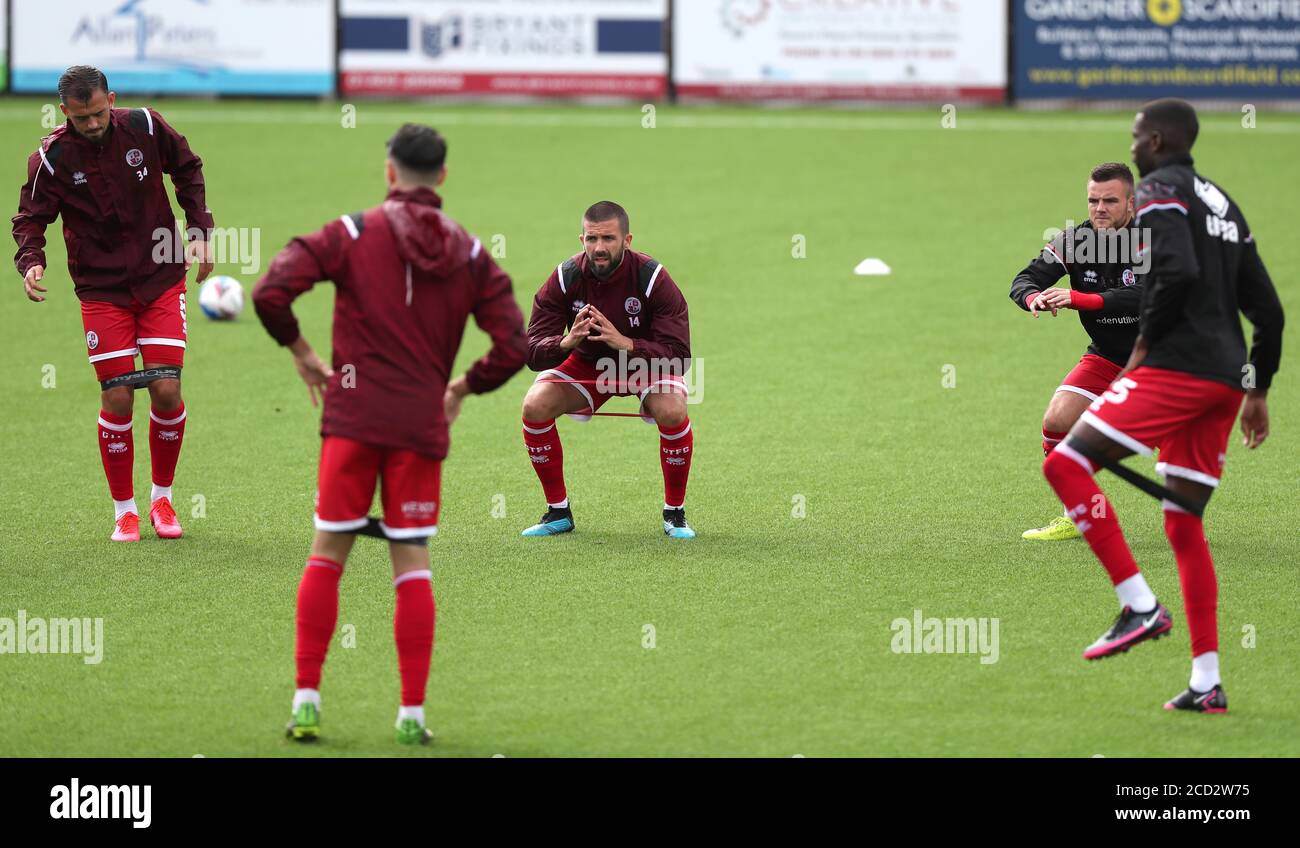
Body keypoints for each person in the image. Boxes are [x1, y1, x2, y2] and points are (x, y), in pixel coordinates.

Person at [252, 124, 527, 744]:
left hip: (351, 419)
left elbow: (271, 291)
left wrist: (300, 350)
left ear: (389, 171)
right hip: (419, 426)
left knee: (327, 555)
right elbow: (515, 344)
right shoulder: (472, 252)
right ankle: (411, 717)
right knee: (412, 565)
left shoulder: (351, 233)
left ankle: (306, 702)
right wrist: (460, 388)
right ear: (444, 177)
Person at [1043, 99, 1284, 713]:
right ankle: (1207, 683)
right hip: (1227, 380)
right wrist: (1257, 388)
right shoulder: (1222, 202)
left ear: (1153, 140)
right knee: (1183, 521)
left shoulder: (1158, 191)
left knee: (1065, 462)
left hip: (1178, 368)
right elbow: (1268, 306)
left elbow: (1169, 273)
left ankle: (1139, 606)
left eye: (1133, 136)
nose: (1130, 145)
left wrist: (1145, 348)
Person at [11, 65, 214, 542]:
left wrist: (200, 230)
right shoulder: (52, 158)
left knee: (166, 388)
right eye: (83, 118)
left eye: (100, 113)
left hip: (161, 274)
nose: (94, 124)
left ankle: (161, 500)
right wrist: (31, 260)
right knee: (117, 394)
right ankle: (124, 509)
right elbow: (30, 216)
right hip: (101, 289)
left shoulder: (145, 125)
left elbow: (188, 167)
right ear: (65, 112)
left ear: (112, 99)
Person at [519, 201, 696, 539]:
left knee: (672, 411)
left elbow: (679, 355)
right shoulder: (565, 276)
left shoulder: (652, 277)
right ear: (581, 238)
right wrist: (566, 343)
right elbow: (531, 351)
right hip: (588, 362)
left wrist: (626, 343)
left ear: (627, 240)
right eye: (591, 238)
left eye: (608, 239)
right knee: (535, 405)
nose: (598, 248)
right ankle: (558, 512)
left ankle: (675, 514)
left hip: (647, 364)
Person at [1010, 163, 1143, 541]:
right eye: (1093, 200)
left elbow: (1142, 296)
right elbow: (1025, 279)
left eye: (1110, 201)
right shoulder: (1075, 241)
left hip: (1164, 359)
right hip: (1108, 356)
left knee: (1174, 455)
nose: (1099, 208)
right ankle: (1078, 515)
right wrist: (1034, 298)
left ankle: (1186, 525)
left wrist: (1077, 298)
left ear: (1131, 203)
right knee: (1057, 419)